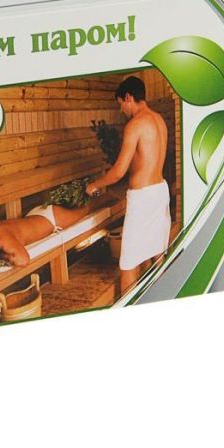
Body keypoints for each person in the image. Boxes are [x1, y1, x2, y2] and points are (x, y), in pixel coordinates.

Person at [86, 76, 171, 295]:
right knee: (157, 251)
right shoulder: (159, 120)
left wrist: (95, 184)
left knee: (128, 262)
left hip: (143, 198)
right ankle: (165, 296)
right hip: (160, 191)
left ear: (128, 97)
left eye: (120, 104)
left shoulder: (135, 125)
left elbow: (118, 172)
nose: (121, 110)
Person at [0, 195, 111, 267]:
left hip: (52, 218)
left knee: (88, 209)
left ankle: (111, 196)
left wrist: (0, 256)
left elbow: (23, 260)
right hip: (34, 215)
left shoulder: (2, 238)